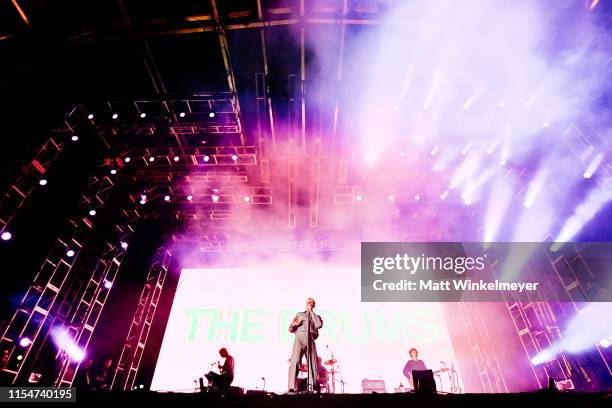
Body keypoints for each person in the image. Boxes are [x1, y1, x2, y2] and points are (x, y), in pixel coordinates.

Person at [288, 297, 323, 393]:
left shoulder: (317, 317)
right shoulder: (300, 314)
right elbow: (290, 329)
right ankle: (291, 387)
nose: (309, 303)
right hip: (300, 337)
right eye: (308, 302)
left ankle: (312, 386)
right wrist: (293, 325)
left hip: (311, 337)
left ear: (314, 305)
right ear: (305, 304)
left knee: (312, 362)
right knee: (295, 361)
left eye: (311, 303)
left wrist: (311, 312)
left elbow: (319, 325)